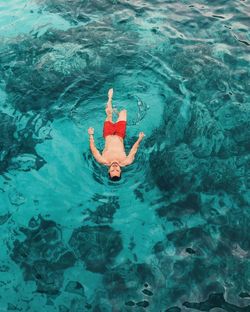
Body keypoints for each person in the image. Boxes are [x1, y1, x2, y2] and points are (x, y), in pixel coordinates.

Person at [88, 88, 145, 181]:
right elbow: (134, 149)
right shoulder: (127, 161)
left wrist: (91, 135)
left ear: (108, 171)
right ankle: (117, 113)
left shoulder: (103, 160)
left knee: (109, 114)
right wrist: (139, 138)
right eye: (117, 170)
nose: (115, 167)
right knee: (123, 112)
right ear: (120, 171)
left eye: (112, 170)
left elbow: (93, 149)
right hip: (120, 134)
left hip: (108, 133)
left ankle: (109, 98)